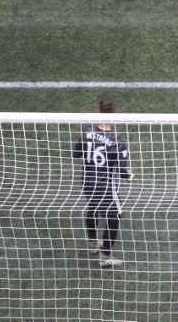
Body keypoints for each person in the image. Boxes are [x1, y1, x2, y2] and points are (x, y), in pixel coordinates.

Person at [72, 101, 133, 267]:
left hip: (87, 182)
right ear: (113, 117)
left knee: (92, 207)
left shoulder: (86, 133)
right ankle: (105, 257)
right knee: (114, 217)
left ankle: (93, 244)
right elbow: (121, 172)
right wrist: (130, 177)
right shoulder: (117, 142)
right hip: (105, 186)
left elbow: (75, 153)